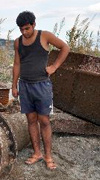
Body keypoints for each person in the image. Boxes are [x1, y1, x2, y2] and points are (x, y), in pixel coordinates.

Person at [12, 11, 70, 170]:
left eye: (27, 28)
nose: (24, 32)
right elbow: (17, 64)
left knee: (44, 121)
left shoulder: (44, 36)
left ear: (33, 25)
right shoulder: (18, 42)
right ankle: (37, 153)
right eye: (21, 29)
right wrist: (14, 85)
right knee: (31, 120)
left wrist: (54, 66)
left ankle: (48, 156)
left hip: (42, 85)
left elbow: (65, 47)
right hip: (25, 85)